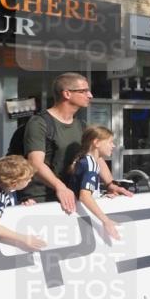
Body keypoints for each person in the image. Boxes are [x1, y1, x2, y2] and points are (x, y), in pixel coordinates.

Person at [18, 72, 132, 213]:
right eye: (84, 91)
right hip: (41, 199)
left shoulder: (81, 125)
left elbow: (96, 157)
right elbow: (35, 162)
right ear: (67, 94)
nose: (90, 95)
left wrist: (110, 183)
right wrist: (61, 187)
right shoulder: (39, 123)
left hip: (71, 196)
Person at [68, 126, 122, 242]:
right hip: (80, 219)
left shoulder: (85, 160)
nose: (113, 146)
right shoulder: (91, 164)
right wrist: (106, 221)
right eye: (110, 142)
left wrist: (101, 197)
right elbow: (84, 196)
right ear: (96, 142)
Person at [0, 155, 45, 250]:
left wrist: (19, 207)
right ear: (14, 184)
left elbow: (6, 209)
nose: (30, 180)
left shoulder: (7, 189)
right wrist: (24, 238)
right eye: (27, 179)